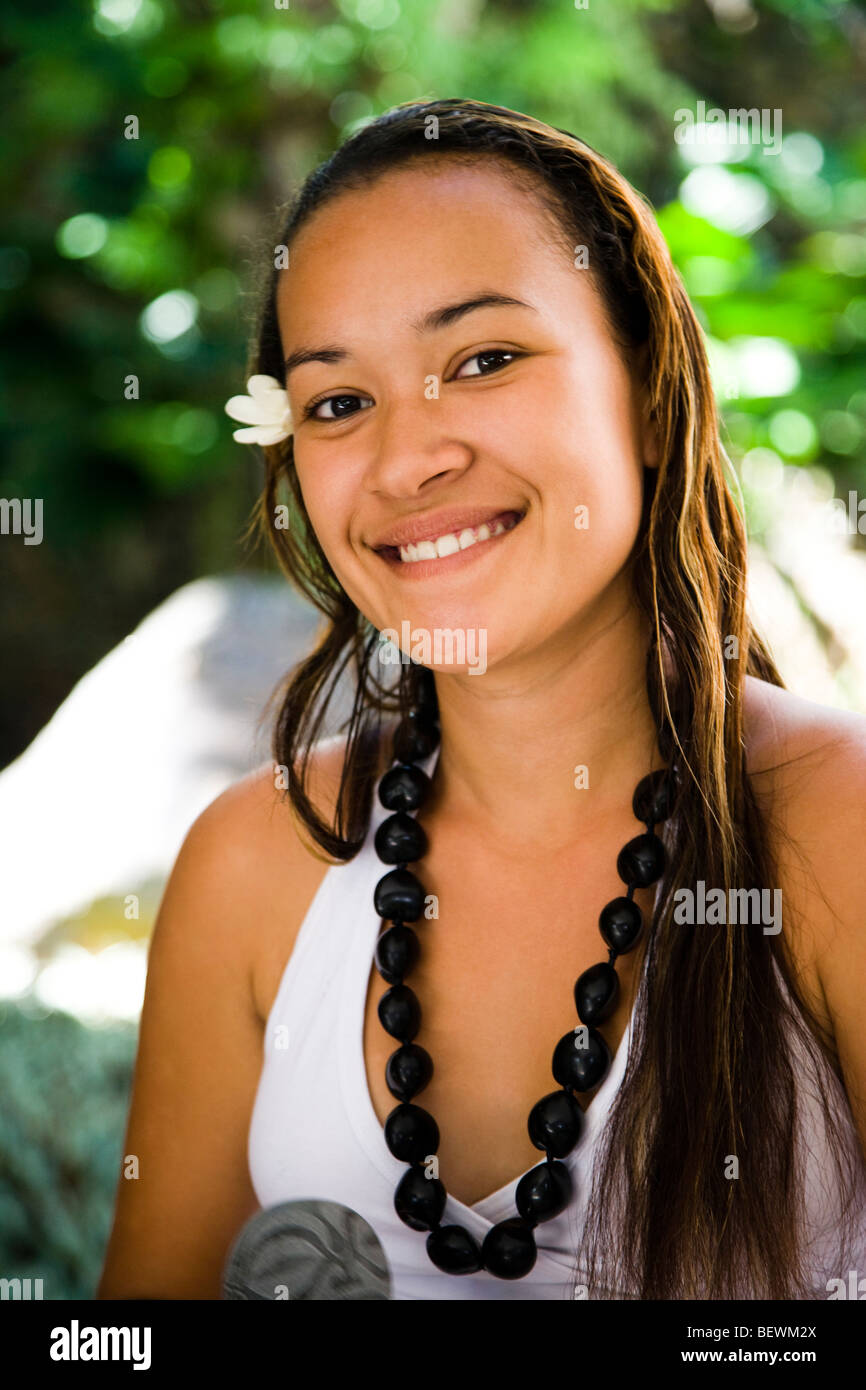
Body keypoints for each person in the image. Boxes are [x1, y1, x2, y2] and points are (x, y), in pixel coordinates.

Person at [98, 98, 866, 1301]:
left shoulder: (838, 823)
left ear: (652, 397)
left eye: (483, 360)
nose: (408, 459)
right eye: (338, 402)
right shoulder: (252, 862)